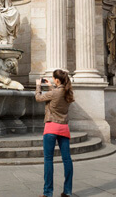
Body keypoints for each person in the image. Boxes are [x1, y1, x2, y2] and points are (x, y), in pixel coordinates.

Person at [35, 69, 75, 197]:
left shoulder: (54, 93)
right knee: (67, 159)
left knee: (48, 160)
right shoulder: (68, 92)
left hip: (51, 127)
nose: (52, 80)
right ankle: (67, 191)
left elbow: (38, 98)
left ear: (57, 80)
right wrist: (51, 86)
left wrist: (38, 86)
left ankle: (48, 193)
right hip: (64, 128)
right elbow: (57, 93)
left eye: (53, 78)